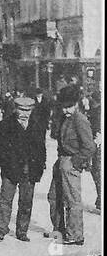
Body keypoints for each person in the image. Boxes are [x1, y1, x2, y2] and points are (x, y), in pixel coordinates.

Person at [0, 96, 44, 243]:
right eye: (21, 110)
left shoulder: (37, 126)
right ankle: (1, 230)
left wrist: (40, 166)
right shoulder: (5, 125)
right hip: (10, 170)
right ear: (15, 109)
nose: (25, 113)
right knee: (6, 200)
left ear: (32, 111)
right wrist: (5, 164)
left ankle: (22, 231)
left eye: (28, 110)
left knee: (26, 202)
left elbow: (41, 149)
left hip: (30, 170)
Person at [53, 86, 94, 246]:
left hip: (71, 162)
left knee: (73, 200)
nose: (65, 110)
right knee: (54, 197)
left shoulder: (80, 119)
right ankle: (60, 231)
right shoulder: (66, 118)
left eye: (68, 107)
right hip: (62, 161)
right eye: (63, 107)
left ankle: (75, 235)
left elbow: (89, 147)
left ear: (76, 104)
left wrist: (75, 162)